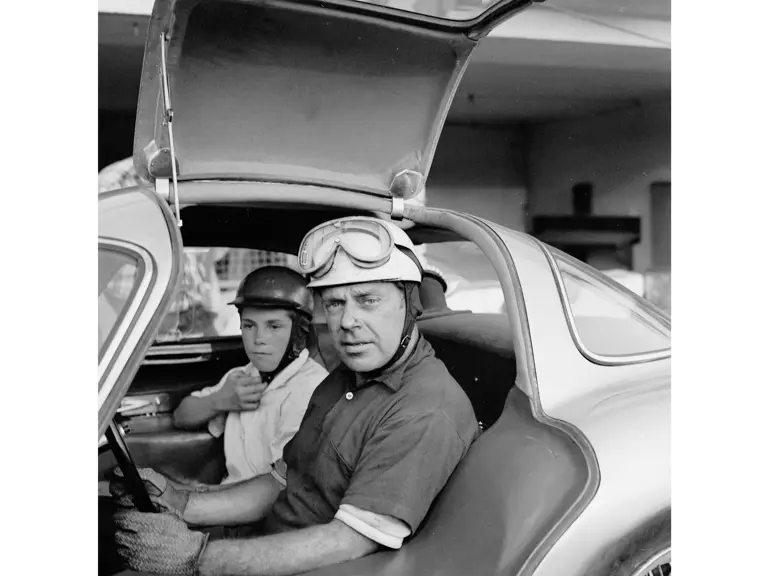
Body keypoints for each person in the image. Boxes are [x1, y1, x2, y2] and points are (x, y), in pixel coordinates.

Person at [110, 216, 479, 576]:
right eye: (335, 303)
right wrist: (181, 503)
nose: (348, 322)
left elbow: (349, 542)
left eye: (367, 300)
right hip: (270, 542)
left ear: (410, 302)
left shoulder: (424, 410)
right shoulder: (344, 379)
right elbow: (282, 481)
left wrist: (197, 558)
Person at [172, 266, 329, 485]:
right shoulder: (241, 376)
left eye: (274, 326)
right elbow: (181, 416)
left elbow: (283, 484)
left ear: (299, 332)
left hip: (264, 506)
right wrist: (219, 401)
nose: (259, 339)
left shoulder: (312, 388)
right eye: (249, 326)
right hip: (230, 497)